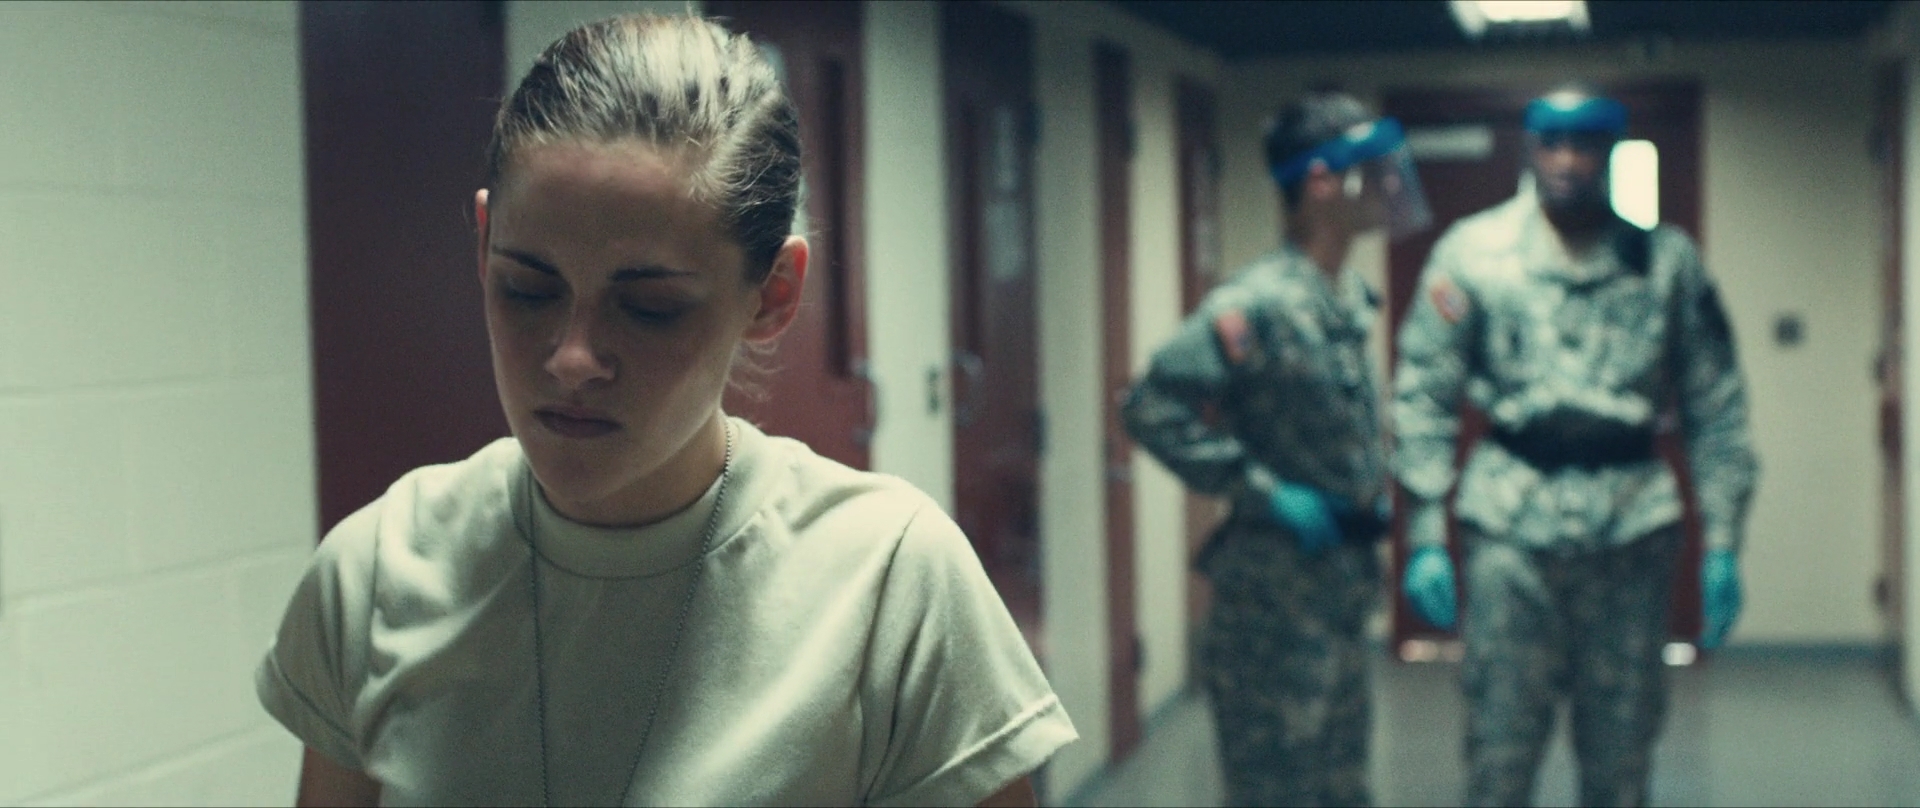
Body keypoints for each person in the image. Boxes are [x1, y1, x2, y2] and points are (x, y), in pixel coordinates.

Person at [254, 13, 1075, 807]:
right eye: (527, 289)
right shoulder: (378, 571)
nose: (572, 358)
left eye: (649, 308)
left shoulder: (889, 581)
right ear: (482, 245)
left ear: (773, 294)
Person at [1393, 88, 1758, 807]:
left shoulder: (1664, 262)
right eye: (1551, 143)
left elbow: (1716, 407)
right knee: (1499, 752)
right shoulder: (1474, 253)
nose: (1567, 161)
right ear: (1529, 149)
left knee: (1621, 757)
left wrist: (1723, 540)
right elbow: (1424, 394)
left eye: (1585, 144)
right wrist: (1425, 530)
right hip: (1510, 529)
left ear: (1610, 152)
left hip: (1630, 529)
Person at [1122, 90, 1432, 807]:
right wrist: (1260, 490)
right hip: (1272, 599)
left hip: (1339, 588)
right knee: (1274, 789)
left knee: (1342, 787)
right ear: (1321, 183)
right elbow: (1149, 407)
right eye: (1368, 168)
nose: (1386, 184)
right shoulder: (1258, 302)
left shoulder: (1344, 296)